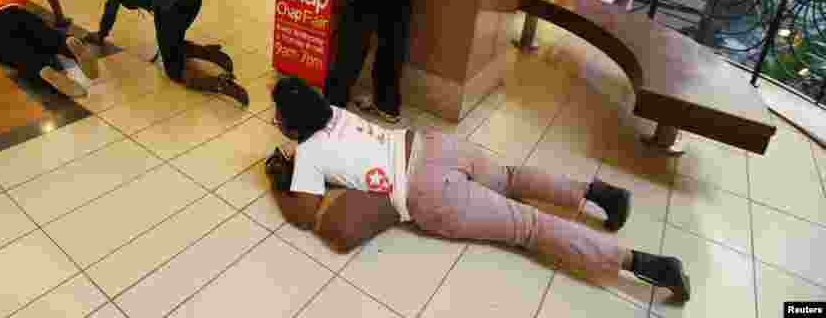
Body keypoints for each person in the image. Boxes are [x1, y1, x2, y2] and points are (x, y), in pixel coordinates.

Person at [265, 76, 692, 303]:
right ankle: (601, 193)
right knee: (510, 177)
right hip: (435, 144)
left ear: (291, 124)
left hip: (428, 191)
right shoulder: (335, 111)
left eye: (278, 116)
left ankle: (643, 264)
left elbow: (304, 215)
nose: (276, 121)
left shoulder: (310, 153)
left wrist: (277, 185)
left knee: (529, 227)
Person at [84, 0, 249, 106]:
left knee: (173, 69)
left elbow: (110, 10)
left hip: (168, 6)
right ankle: (207, 53)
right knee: (172, 41)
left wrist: (101, 34)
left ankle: (219, 84)